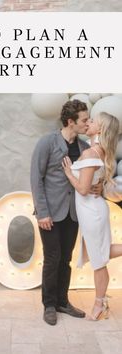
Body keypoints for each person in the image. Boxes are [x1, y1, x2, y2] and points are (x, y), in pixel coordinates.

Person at [30, 99, 101, 326]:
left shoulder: (83, 147)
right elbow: (36, 179)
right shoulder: (46, 143)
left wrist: (96, 187)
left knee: (66, 259)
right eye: (84, 120)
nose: (87, 122)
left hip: (73, 214)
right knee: (52, 258)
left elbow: (84, 179)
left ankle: (62, 301)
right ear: (70, 122)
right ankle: (49, 305)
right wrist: (42, 212)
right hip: (50, 213)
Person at [62, 112, 122, 321]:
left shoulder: (91, 154)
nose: (89, 122)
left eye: (93, 121)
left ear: (102, 129)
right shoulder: (99, 150)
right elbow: (96, 181)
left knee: (99, 260)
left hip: (92, 211)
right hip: (93, 209)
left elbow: (84, 189)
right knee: (101, 255)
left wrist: (70, 173)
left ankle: (99, 305)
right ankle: (101, 301)